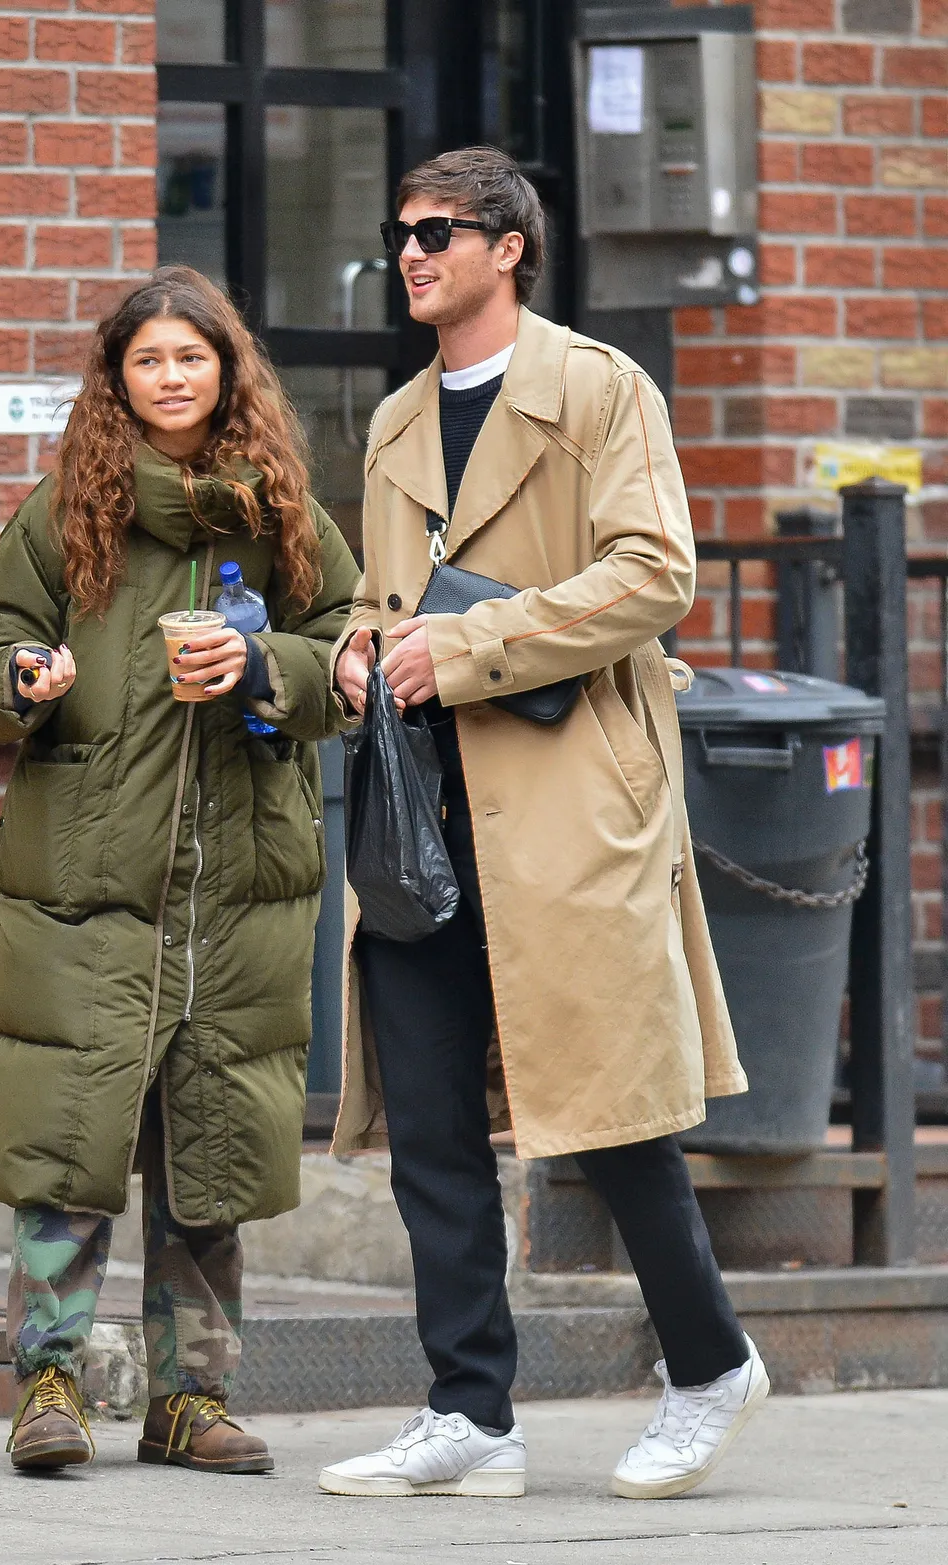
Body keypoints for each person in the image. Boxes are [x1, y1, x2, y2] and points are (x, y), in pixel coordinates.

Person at [319, 148, 769, 1502]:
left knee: (614, 1105)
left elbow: (653, 572)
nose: (412, 252)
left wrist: (463, 649)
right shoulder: (400, 419)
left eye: (439, 230)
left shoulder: (595, 388)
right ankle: (471, 1411)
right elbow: (386, 593)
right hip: (424, 805)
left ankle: (709, 1366)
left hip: (570, 795)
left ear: (510, 245)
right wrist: (357, 646)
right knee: (436, 1121)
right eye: (399, 231)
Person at [0, 267, 359, 1475]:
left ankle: (190, 1397)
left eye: (194, 356)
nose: (173, 377)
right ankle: (51, 1386)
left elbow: (346, 650)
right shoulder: (65, 506)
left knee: (211, 1147)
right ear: (117, 379)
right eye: (149, 359)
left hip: (236, 878)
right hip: (85, 873)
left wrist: (259, 664)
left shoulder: (280, 511)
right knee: (67, 1140)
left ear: (227, 371)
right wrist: (22, 677)